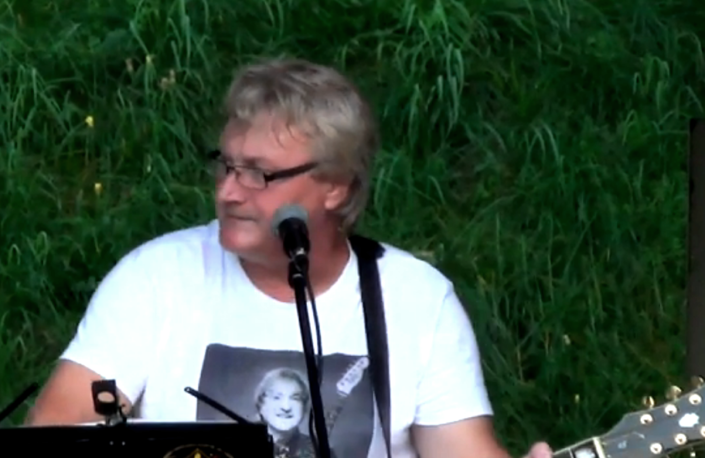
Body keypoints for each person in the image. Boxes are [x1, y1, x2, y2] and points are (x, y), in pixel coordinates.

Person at [25, 57, 552, 458]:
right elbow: (53, 432)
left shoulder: (415, 299)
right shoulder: (157, 277)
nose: (229, 191)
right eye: (226, 166)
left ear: (336, 187)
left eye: (260, 173)